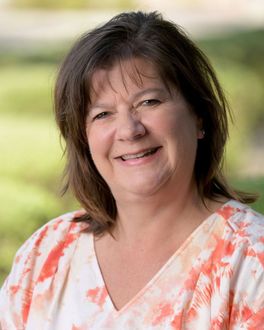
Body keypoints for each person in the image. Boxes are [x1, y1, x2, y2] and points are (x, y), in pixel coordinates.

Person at [0, 11, 264, 330]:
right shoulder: (47, 253)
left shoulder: (250, 260)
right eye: (102, 114)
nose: (129, 129)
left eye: (149, 102)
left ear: (199, 115)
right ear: (83, 138)